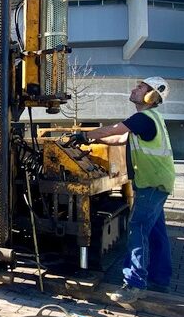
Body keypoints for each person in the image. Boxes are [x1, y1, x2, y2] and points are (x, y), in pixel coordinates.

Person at [67, 76, 175, 304]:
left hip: (151, 185)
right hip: (158, 183)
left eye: (140, 87)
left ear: (150, 95)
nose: (135, 89)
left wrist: (84, 135)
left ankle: (134, 284)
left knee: (137, 229)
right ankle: (160, 279)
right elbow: (119, 137)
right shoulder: (149, 119)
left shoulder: (143, 118)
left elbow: (114, 129)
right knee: (155, 231)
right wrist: (91, 142)